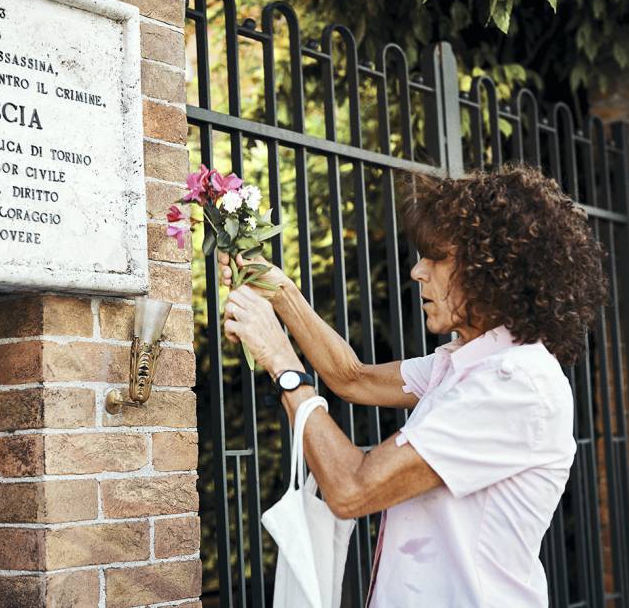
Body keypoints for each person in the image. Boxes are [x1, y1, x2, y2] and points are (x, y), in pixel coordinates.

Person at [219, 164, 608, 607]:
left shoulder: (514, 385)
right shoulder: (469, 363)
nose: (417, 272)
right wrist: (282, 293)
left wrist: (282, 363)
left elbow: (351, 489)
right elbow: (354, 378)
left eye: (436, 257)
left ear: (495, 268)